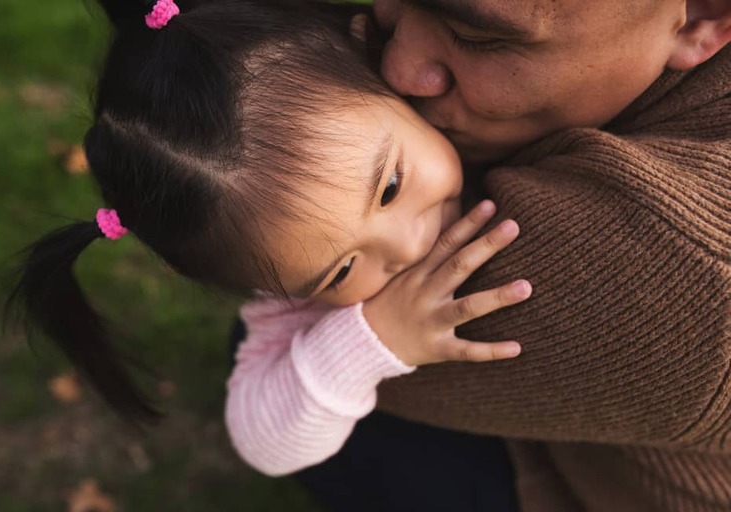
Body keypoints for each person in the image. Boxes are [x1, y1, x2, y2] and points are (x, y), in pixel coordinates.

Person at [5, 0, 532, 481]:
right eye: (341, 271)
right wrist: (374, 341)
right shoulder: (293, 312)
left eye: (389, 185)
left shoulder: (484, 100)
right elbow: (263, 441)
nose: (407, 247)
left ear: (374, 65)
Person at [295, 0, 731, 511]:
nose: (397, 69)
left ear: (703, 16)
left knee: (311, 359)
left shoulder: (677, 260)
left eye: (476, 38)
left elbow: (284, 252)